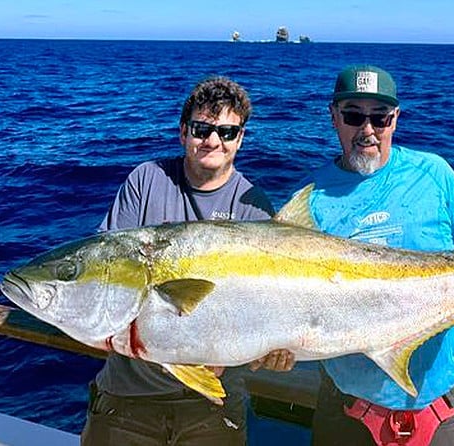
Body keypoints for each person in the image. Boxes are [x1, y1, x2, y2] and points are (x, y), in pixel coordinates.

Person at [307, 65, 454, 446]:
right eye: (353, 115)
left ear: (395, 119)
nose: (367, 130)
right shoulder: (311, 200)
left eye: (379, 117)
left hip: (437, 413)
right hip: (346, 415)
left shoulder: (435, 173)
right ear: (333, 116)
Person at [81, 76, 294, 445]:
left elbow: (264, 302)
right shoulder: (146, 180)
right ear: (183, 132)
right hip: (127, 396)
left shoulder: (252, 204)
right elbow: (107, 274)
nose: (213, 141)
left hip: (212, 404)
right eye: (202, 129)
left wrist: (276, 344)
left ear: (240, 139)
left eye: (227, 132)